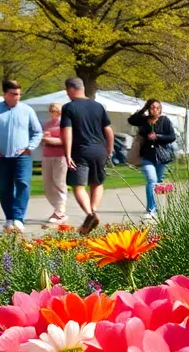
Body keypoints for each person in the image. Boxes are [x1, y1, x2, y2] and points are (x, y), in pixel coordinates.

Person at [0, 79, 42, 232]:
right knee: (5, 187)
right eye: (13, 94)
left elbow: (37, 131)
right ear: (5, 94)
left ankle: (19, 218)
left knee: (23, 184)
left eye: (18, 94)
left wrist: (30, 147)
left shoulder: (27, 110)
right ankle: (9, 218)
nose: (16, 97)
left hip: (22, 156)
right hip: (0, 156)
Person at [60, 77, 114, 235]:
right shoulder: (98, 106)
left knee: (78, 186)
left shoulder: (69, 107)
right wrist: (109, 150)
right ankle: (93, 211)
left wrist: (68, 154)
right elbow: (109, 131)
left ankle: (91, 214)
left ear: (70, 89)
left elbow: (67, 132)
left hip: (80, 151)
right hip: (99, 150)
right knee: (97, 183)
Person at [127, 99, 176, 220]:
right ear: (149, 108)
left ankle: (159, 208)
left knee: (158, 181)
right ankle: (151, 209)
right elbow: (131, 120)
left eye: (157, 108)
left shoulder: (165, 121)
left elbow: (172, 137)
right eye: (152, 107)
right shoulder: (144, 120)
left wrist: (158, 137)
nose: (155, 110)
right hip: (146, 156)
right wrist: (143, 109)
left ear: (160, 109)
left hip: (161, 156)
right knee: (152, 179)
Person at [41, 103, 69, 224]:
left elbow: (64, 140)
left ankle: (59, 212)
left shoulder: (64, 124)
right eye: (51, 110)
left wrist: (47, 139)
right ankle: (57, 208)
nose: (53, 113)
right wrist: (43, 139)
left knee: (59, 183)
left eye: (56, 110)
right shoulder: (47, 124)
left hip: (60, 156)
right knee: (48, 184)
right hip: (47, 156)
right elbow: (42, 140)